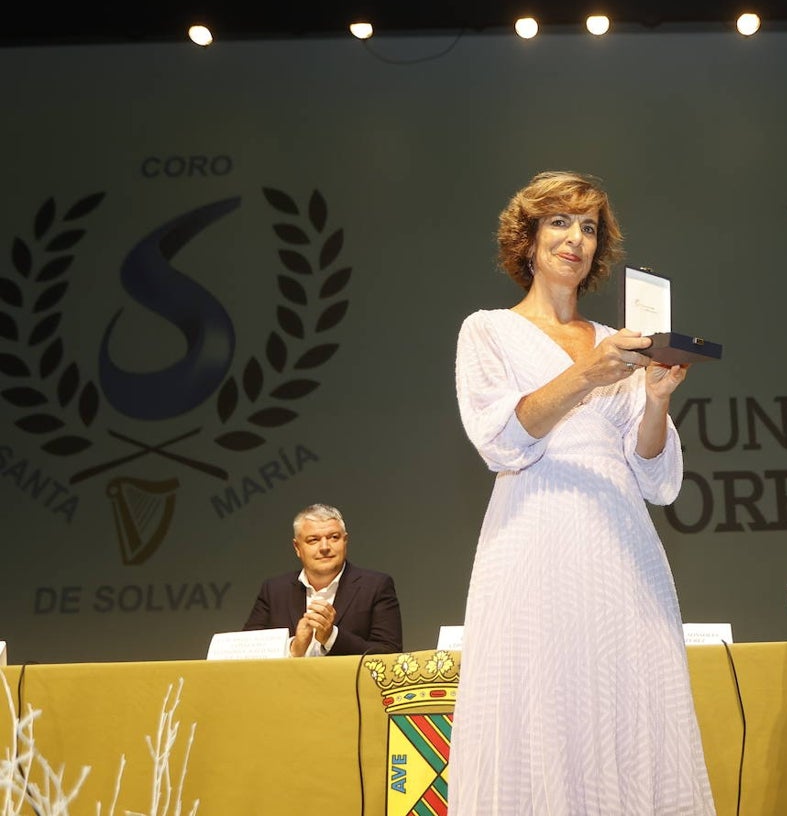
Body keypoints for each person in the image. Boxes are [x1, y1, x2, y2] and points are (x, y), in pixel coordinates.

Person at [449, 171, 715, 815]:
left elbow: (653, 475)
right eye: (560, 223)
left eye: (589, 228)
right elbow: (503, 441)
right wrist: (587, 373)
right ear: (529, 238)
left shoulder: (613, 342)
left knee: (630, 698)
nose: (576, 239)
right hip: (534, 539)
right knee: (539, 700)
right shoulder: (487, 331)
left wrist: (653, 402)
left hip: (620, 542)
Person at [242, 502, 403, 656]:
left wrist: (331, 637)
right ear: (297, 548)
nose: (325, 547)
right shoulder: (274, 590)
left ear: (345, 541)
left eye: (333, 537)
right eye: (313, 540)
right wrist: (294, 649)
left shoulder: (376, 586)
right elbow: (248, 653)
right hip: (286, 684)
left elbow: (389, 654)